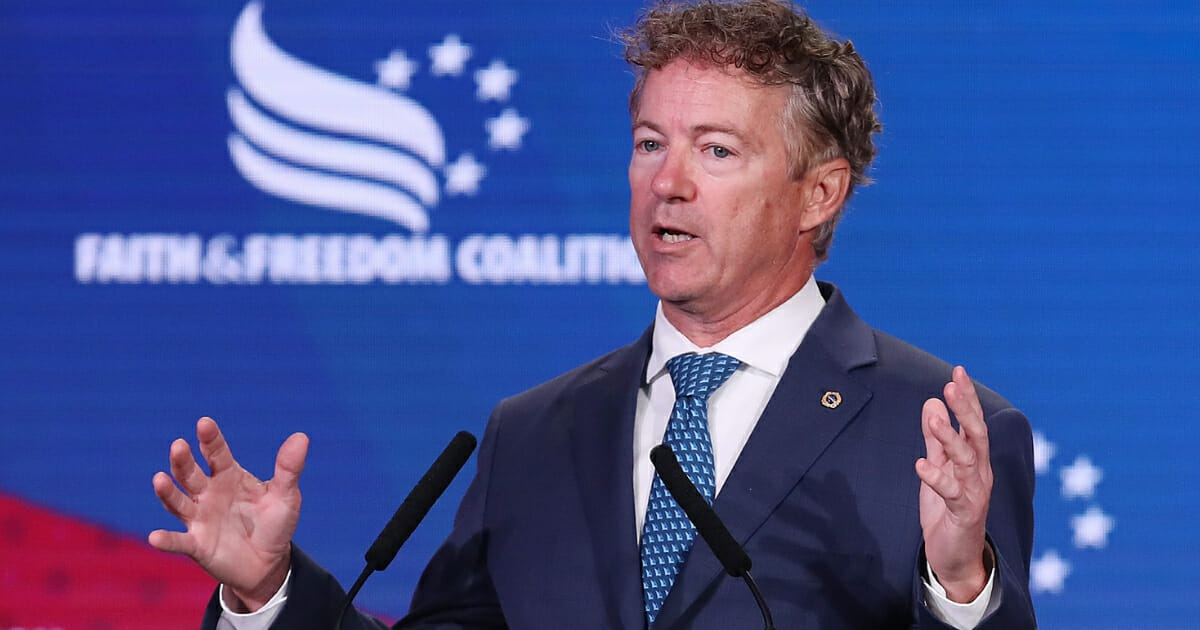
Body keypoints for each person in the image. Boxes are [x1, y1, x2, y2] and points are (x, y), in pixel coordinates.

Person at [149, 1, 1036, 628]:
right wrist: (269, 593)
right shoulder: (534, 432)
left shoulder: (937, 432)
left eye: (715, 150)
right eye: (650, 143)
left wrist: (960, 586)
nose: (668, 182)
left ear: (819, 194)